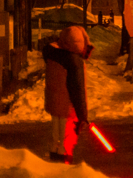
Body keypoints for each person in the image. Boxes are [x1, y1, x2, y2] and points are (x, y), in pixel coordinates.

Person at [43, 26, 93, 164]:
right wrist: (82, 114)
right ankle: (64, 166)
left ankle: (54, 156)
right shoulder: (73, 62)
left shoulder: (51, 53)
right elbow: (77, 89)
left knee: (56, 136)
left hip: (54, 102)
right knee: (66, 140)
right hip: (68, 107)